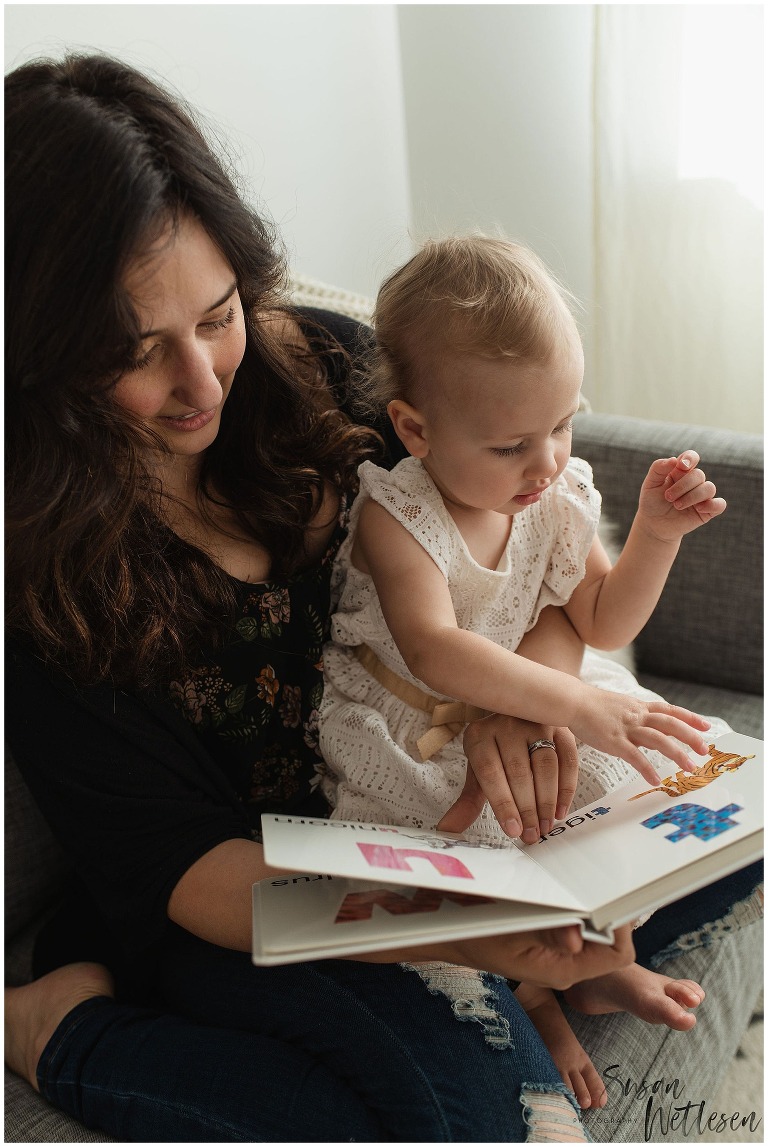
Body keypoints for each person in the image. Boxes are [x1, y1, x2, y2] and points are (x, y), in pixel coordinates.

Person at [3, 54, 761, 1143]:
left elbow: (525, 574)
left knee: (721, 832)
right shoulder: (47, 570)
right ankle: (61, 1028)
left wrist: (518, 697)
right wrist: (460, 927)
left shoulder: (334, 376)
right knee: (463, 1116)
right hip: (254, 898)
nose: (205, 382)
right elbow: (188, 871)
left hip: (431, 810)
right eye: (136, 352)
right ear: (44, 359)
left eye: (216, 314)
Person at [316, 235, 731, 1106]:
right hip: (416, 734)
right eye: (511, 444)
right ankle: (539, 1000)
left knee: (642, 803)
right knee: (473, 875)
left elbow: (601, 617)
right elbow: (433, 648)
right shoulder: (400, 515)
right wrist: (575, 700)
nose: (546, 463)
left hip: (529, 716)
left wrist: (654, 536)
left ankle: (598, 966)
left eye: (563, 423)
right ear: (416, 428)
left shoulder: (553, 495)